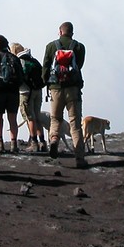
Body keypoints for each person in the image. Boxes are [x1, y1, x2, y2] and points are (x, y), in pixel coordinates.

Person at [41, 21, 87, 167]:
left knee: (55, 119)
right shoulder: (79, 47)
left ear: (60, 32)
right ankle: (79, 158)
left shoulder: (50, 46)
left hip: (55, 88)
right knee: (75, 124)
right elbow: (79, 66)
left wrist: (46, 81)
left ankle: (54, 139)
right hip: (73, 89)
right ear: (72, 32)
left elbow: (45, 66)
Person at [0, 35, 22, 153]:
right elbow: (20, 76)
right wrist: (15, 85)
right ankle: (14, 144)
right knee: (12, 118)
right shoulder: (14, 58)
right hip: (13, 91)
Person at [12, 43, 46, 152]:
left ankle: (34, 143)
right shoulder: (33, 60)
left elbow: (18, 77)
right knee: (37, 116)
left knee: (29, 117)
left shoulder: (19, 61)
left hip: (25, 92)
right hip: (38, 91)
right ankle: (43, 142)